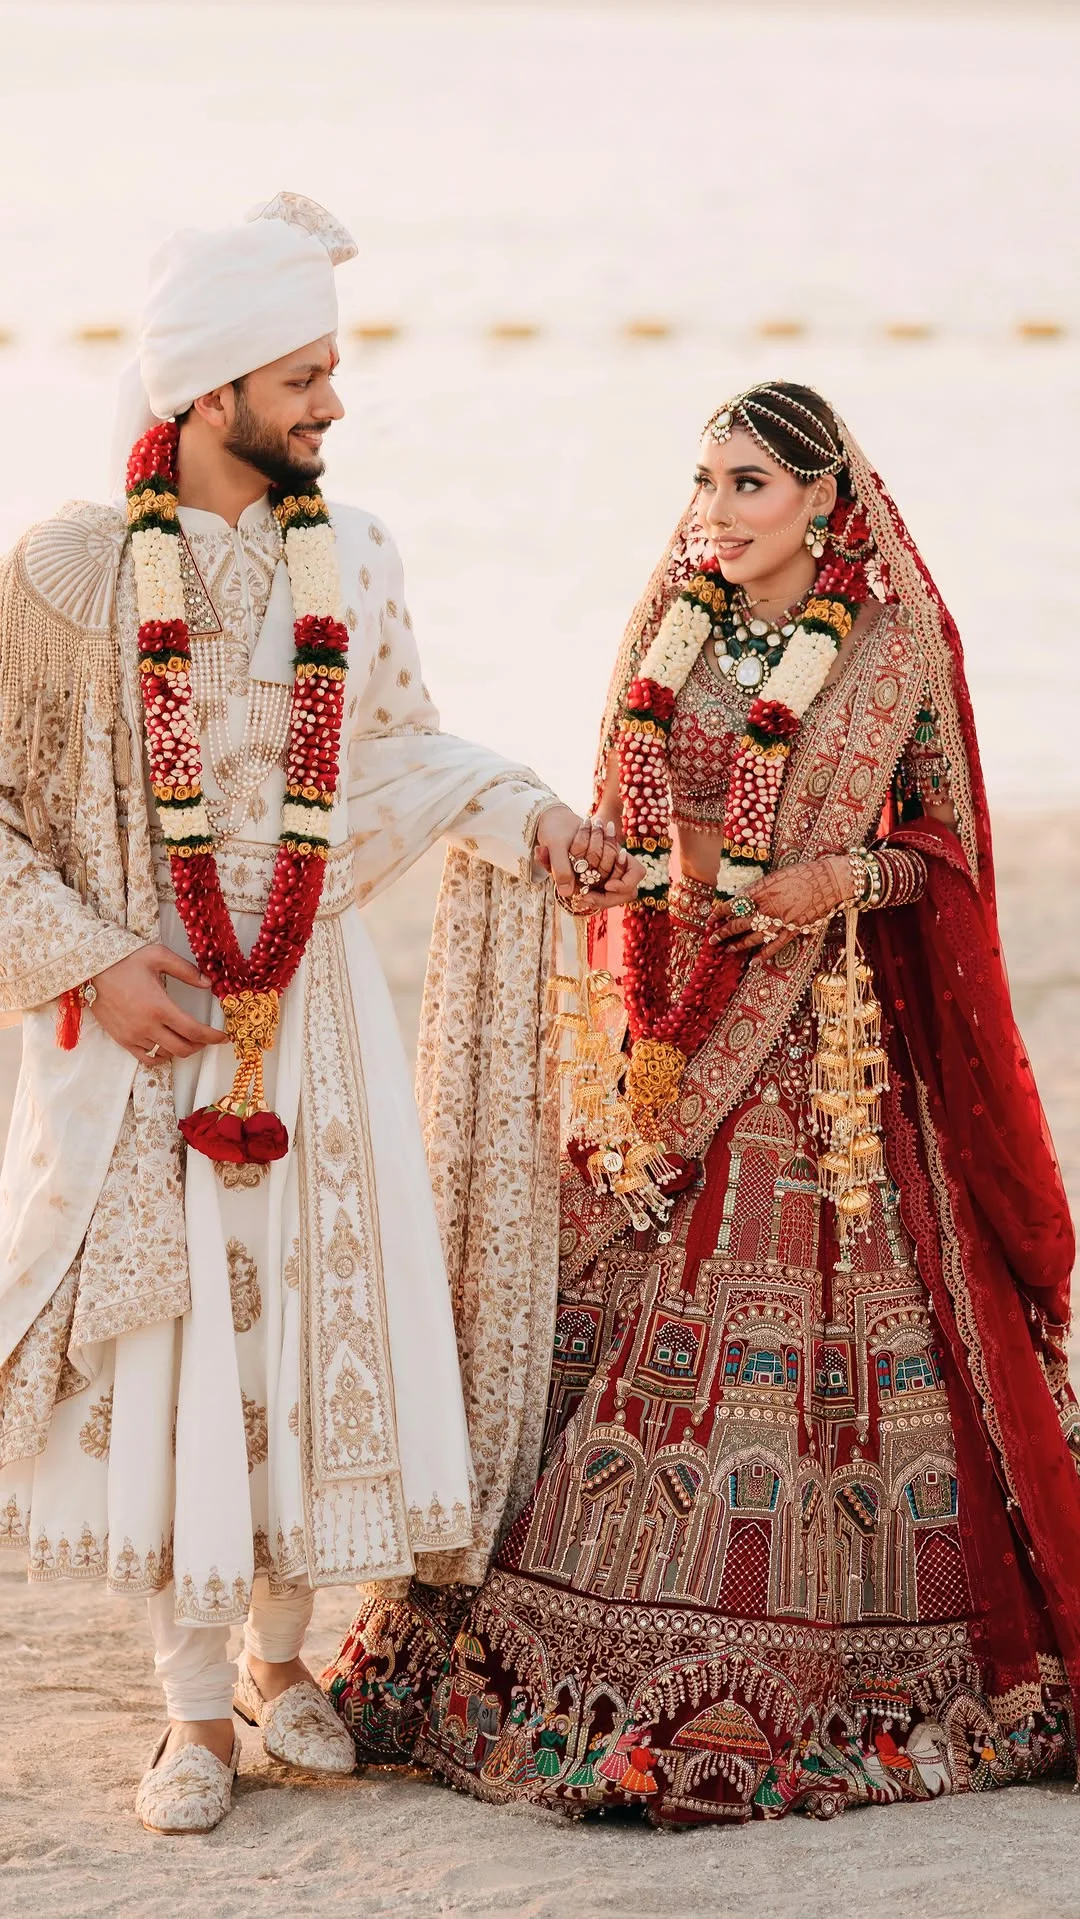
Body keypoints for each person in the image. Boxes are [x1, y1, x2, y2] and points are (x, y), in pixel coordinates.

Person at [325, 381, 1080, 1825]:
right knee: (598, 1294)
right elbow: (622, 802)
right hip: (672, 1038)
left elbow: (948, 849)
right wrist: (606, 871)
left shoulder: (893, 648)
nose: (715, 513)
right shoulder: (669, 624)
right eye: (705, 482)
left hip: (825, 1054)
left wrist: (838, 878)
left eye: (749, 485)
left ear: (822, 500)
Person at [0, 191, 639, 1836]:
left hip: (314, 1003)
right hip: (147, 1013)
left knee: (304, 1318)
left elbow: (399, 751)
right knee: (180, 1345)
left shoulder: (351, 553)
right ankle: (190, 1708)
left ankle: (284, 1662)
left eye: (331, 369)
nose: (333, 403)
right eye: (302, 376)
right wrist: (91, 963)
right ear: (208, 388)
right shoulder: (69, 573)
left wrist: (530, 814)